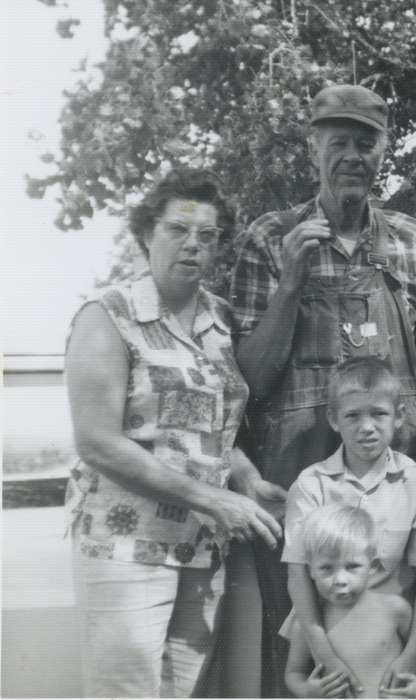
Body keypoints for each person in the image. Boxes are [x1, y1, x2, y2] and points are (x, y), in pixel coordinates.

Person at [228, 83, 416, 694]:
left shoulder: (412, 240)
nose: (352, 155)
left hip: (394, 477)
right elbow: (247, 379)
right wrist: (291, 285)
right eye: (338, 141)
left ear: (384, 153)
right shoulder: (269, 238)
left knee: (390, 631)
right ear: (313, 147)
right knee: (301, 640)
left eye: (365, 143)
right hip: (299, 476)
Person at [64, 168, 285, 697]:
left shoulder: (221, 319)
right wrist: (212, 498)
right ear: (146, 232)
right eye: (177, 230)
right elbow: (97, 441)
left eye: (207, 236)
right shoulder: (108, 314)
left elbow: (211, 429)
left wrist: (248, 482)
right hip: (124, 548)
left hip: (200, 550)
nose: (193, 246)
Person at [281, 357, 416, 697]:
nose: (366, 426)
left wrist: (412, 655)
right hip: (324, 631)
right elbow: (298, 575)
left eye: (378, 414)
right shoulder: (312, 485)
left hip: (387, 636)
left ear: (399, 416)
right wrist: (325, 656)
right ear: (333, 420)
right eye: (352, 415)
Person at [284, 504, 416, 698]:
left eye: (352, 566)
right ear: (311, 570)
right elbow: (294, 672)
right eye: (327, 568)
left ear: (371, 566)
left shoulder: (394, 609)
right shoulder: (307, 624)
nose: (340, 580)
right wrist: (306, 690)